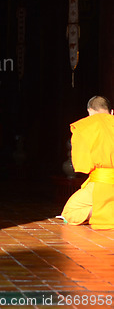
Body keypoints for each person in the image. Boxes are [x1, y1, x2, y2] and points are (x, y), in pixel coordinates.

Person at [60, 96, 114, 230]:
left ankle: (104, 213)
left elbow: (81, 165)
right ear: (111, 112)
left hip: (102, 183)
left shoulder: (85, 126)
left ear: (89, 112)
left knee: (69, 213)